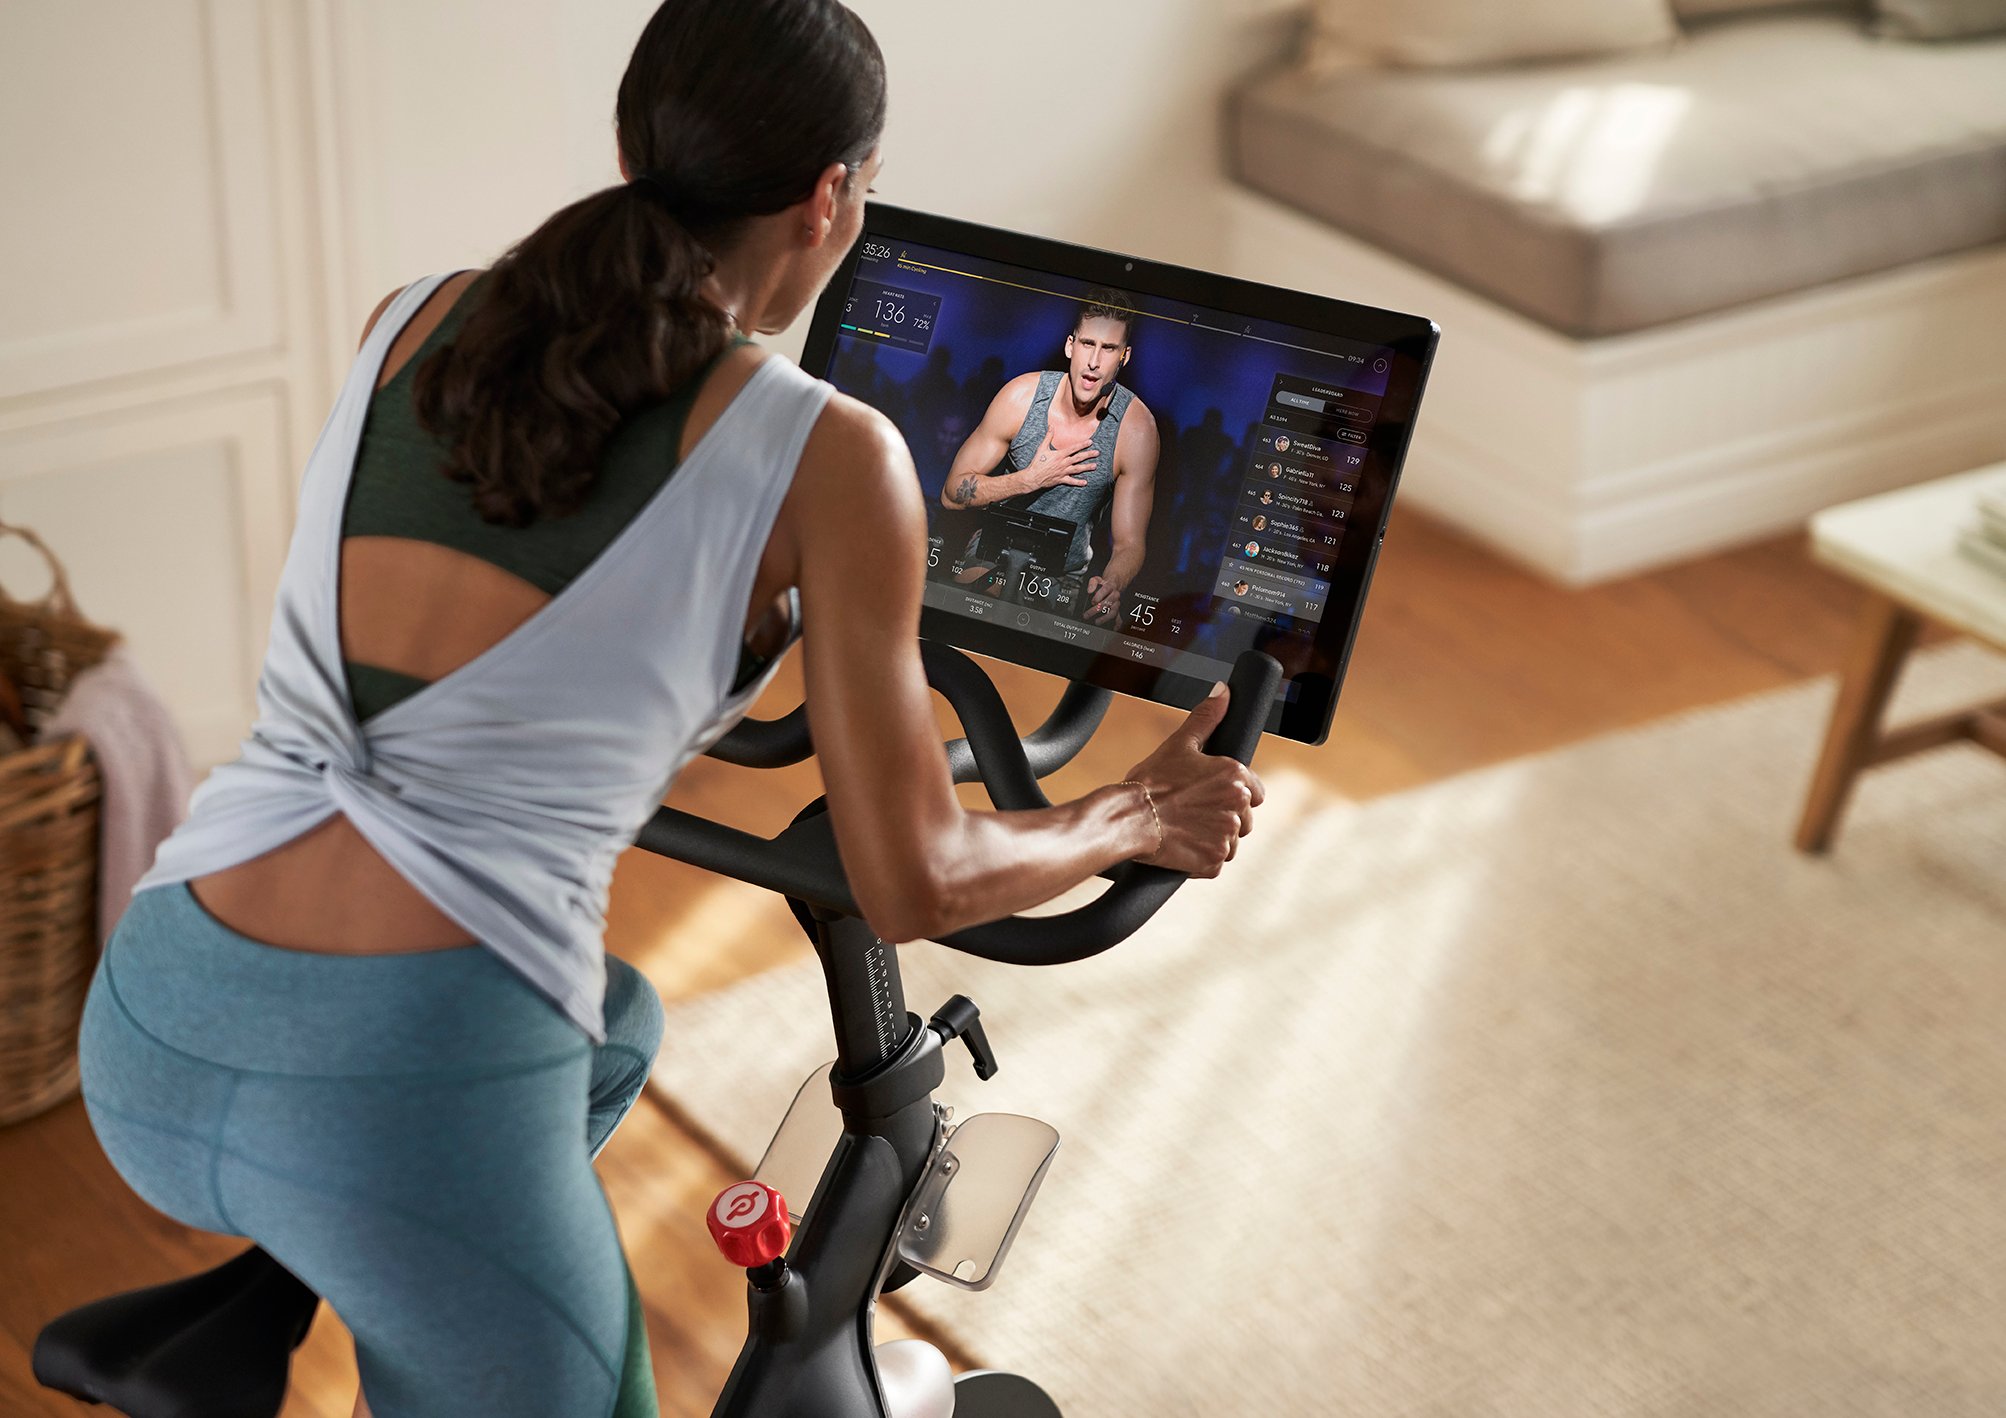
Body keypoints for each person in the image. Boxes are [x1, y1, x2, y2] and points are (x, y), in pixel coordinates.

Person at [72, 2, 1264, 1416]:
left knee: (619, 1020)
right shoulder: (829, 451)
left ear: (636, 144)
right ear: (831, 196)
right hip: (391, 1095)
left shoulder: (415, 319)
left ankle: (299, 1262)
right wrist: (1130, 807)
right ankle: (362, 1226)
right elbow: (917, 875)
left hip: (155, 1015)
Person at [937, 291, 1161, 625]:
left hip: (1065, 579)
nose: (1094, 361)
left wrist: (1113, 583)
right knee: (978, 606)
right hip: (989, 558)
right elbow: (952, 494)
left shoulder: (1136, 431)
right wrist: (1029, 479)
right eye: (1088, 344)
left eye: (1109, 348)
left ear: (1124, 357)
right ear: (1071, 346)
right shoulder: (1021, 398)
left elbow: (1130, 543)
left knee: (1100, 631)